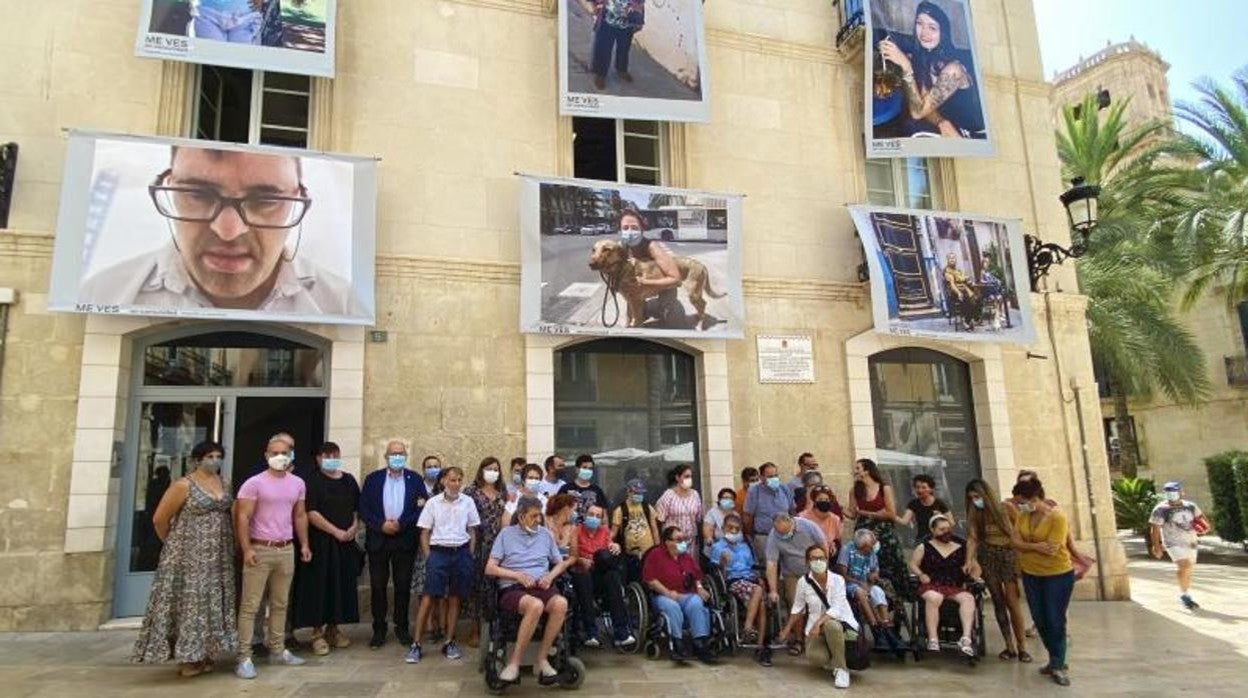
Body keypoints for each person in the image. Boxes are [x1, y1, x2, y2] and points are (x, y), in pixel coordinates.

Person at [79, 145, 360, 315]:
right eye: (198, 194)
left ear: (298, 197)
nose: (228, 231)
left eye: (264, 200)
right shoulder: (102, 293)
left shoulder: (342, 302)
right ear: (169, 183)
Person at [132, 440, 236, 677]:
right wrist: (173, 544)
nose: (215, 460)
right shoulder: (183, 485)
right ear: (197, 459)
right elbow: (160, 518)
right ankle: (188, 657)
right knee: (191, 604)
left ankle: (208, 652)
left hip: (218, 557)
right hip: (188, 556)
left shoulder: (225, 483)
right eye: (209, 456)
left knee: (212, 603)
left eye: (218, 455)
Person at [232, 436, 310, 679]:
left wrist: (304, 543)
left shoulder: (298, 483)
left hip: (285, 548)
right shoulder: (253, 483)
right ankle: (244, 656)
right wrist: (246, 549)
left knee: (280, 603)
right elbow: (242, 517)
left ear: (291, 455)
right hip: (260, 547)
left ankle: (277, 648)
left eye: (284, 452)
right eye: (275, 452)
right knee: (250, 605)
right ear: (266, 455)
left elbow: (299, 515)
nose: (280, 456)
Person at [485, 496, 575, 686]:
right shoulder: (506, 535)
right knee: (535, 605)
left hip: (541, 584)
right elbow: (490, 568)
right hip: (513, 588)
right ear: (521, 516)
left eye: (539, 516)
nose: (538, 520)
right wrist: (516, 575)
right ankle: (514, 663)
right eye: (533, 516)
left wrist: (550, 577)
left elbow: (560, 564)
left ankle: (542, 659)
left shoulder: (544, 535)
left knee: (561, 603)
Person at [876, 0, 986, 139]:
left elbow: (917, 112)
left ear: (943, 33)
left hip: (974, 138)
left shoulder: (953, 70)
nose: (924, 32)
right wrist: (941, 121)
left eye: (932, 28)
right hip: (952, 128)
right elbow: (923, 103)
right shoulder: (924, 57)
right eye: (919, 24)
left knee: (910, 131)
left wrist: (906, 66)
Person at [290, 442, 361, 656]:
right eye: (327, 455)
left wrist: (353, 527)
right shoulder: (311, 481)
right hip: (321, 543)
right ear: (319, 458)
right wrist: (335, 531)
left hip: (346, 542)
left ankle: (334, 628)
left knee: (341, 586)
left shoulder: (348, 480)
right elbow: (310, 512)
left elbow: (357, 508)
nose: (331, 458)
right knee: (319, 586)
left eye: (335, 454)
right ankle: (317, 633)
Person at [406, 466, 480, 664]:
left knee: (454, 598)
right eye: (452, 480)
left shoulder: (468, 502)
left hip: (461, 552)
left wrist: (470, 554)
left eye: (459, 480)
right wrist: (430, 557)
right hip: (438, 553)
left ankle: (449, 641)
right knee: (429, 597)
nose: (456, 484)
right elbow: (424, 532)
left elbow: (472, 530)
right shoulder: (433, 503)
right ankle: (416, 644)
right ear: (443, 481)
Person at [359, 440, 428, 649]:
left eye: (401, 453)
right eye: (393, 453)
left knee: (403, 586)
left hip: (404, 539)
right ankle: (379, 629)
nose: (397, 456)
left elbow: (421, 508)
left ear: (406, 456)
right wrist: (381, 525)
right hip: (379, 540)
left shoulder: (415, 479)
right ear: (386, 456)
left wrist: (401, 523)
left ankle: (402, 627)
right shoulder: (373, 479)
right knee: (378, 587)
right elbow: (363, 508)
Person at [1010, 478, 1075, 687]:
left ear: (1035, 499)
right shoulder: (1023, 515)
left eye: (1022, 501)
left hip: (1057, 574)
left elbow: (1053, 547)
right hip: (1031, 573)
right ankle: (1054, 657)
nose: (1019, 505)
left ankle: (1058, 662)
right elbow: (1014, 541)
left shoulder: (1057, 517)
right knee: (1039, 617)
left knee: (1055, 618)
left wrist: (1026, 545)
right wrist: (1036, 547)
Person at [964, 479, 1030, 662]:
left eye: (977, 496)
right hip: (988, 556)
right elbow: (972, 538)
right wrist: (969, 559)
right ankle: (1009, 646)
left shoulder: (1006, 508)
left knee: (1012, 602)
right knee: (998, 601)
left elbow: (1020, 530)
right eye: (972, 498)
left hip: (1008, 555)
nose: (975, 500)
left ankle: (1022, 646)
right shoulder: (974, 514)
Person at [777, 544, 858, 689]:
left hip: (840, 626)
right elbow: (798, 608)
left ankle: (841, 669)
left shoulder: (838, 580)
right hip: (816, 633)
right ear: (807, 562)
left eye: (821, 558)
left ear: (827, 560)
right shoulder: (803, 582)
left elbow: (837, 608)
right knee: (816, 657)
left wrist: (818, 623)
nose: (818, 561)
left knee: (831, 625)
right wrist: (787, 629)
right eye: (814, 558)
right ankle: (834, 658)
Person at [642, 526, 717, 664]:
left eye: (683, 539)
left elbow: (697, 575)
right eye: (678, 539)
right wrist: (667, 593)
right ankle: (677, 643)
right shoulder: (655, 555)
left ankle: (699, 643)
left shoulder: (686, 556)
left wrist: (699, 588)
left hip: (686, 594)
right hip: (662, 595)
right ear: (667, 542)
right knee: (672, 606)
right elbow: (650, 580)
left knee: (696, 602)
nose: (682, 542)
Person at [909, 514, 977, 656]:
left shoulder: (960, 547)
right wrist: (921, 574)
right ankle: (933, 638)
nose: (946, 532)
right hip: (932, 584)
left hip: (953, 585)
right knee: (935, 597)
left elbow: (976, 568)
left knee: (968, 598)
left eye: (948, 529)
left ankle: (966, 638)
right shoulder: (924, 547)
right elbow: (913, 564)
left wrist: (970, 570)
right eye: (941, 529)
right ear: (933, 531)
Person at [571, 503, 637, 649]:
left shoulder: (604, 531)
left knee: (612, 575)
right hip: (584, 572)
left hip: (602, 572)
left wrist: (615, 547)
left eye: (597, 516)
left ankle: (622, 633)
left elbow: (610, 546)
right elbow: (572, 556)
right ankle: (591, 633)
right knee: (584, 577)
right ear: (585, 515)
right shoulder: (576, 531)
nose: (594, 518)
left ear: (601, 519)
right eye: (591, 515)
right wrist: (581, 560)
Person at [709, 514, 770, 666]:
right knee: (757, 590)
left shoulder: (745, 546)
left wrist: (759, 577)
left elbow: (752, 566)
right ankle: (748, 627)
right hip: (733, 580)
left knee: (762, 602)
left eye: (737, 529)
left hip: (749, 579)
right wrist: (722, 562)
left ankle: (760, 645)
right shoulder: (718, 547)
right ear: (723, 529)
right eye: (730, 528)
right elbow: (716, 572)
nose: (734, 531)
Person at [764, 513, 827, 655]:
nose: (782, 535)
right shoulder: (774, 535)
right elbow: (772, 563)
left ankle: (817, 638)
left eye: (785, 532)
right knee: (795, 604)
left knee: (817, 602)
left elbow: (823, 545)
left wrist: (822, 569)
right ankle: (799, 640)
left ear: (791, 523)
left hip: (813, 569)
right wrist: (773, 590)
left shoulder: (808, 526)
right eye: (779, 532)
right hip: (791, 573)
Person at [836, 528, 903, 656]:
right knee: (860, 591)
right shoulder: (847, 550)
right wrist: (860, 583)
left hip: (867, 584)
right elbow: (842, 575)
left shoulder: (871, 552)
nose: (872, 548)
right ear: (863, 545)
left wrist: (874, 576)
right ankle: (875, 625)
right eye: (869, 546)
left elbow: (875, 571)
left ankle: (885, 625)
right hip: (849, 584)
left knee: (878, 591)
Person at [617, 208, 688, 327]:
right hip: (639, 289)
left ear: (642, 229)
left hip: (664, 286)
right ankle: (646, 310)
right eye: (625, 228)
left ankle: (665, 308)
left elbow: (676, 279)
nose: (629, 231)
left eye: (634, 227)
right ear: (620, 230)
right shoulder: (621, 248)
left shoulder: (652, 246)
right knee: (637, 310)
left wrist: (645, 283)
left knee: (672, 319)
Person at [845, 458, 907, 591]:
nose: (855, 471)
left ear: (867, 471)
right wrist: (839, 509)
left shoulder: (884, 488)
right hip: (864, 533)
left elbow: (891, 513)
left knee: (889, 565)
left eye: (858, 468)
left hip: (884, 533)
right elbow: (853, 514)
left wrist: (866, 513)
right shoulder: (855, 490)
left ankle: (894, 597)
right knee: (866, 565)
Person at [464, 457, 506, 648]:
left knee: (495, 588)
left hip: (499, 546)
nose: (493, 472)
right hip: (478, 545)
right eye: (489, 468)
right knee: (476, 589)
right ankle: (474, 631)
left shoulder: (503, 493)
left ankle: (495, 630)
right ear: (481, 470)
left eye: (496, 469)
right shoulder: (471, 492)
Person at [1149, 481, 1206, 610]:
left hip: (1191, 542)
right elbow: (1155, 528)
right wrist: (1156, 546)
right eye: (1168, 492)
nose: (1171, 494)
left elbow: (1203, 520)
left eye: (1174, 491)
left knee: (1188, 569)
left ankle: (1185, 592)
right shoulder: (1160, 509)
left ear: (1181, 492)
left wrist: (1203, 528)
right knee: (1184, 565)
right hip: (1172, 543)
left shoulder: (1191, 506)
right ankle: (1184, 596)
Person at [610, 478, 660, 581]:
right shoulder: (620, 510)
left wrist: (657, 549)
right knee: (632, 578)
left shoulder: (647, 507)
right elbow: (613, 533)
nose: (639, 495)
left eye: (641, 493)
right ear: (628, 491)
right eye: (636, 492)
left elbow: (654, 529)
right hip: (630, 554)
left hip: (648, 552)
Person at [589, 0, 646, 91]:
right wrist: (594, 8)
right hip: (607, 20)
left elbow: (640, 2)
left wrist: (640, 20)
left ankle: (621, 69)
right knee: (603, 48)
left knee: (624, 48)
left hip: (627, 23)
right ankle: (600, 74)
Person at [743, 462, 795, 556]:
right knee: (767, 566)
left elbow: (792, 511)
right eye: (770, 476)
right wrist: (752, 535)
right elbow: (748, 516)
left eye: (776, 475)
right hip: (764, 536)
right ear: (762, 477)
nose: (774, 479)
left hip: (785, 536)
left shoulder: (784, 488)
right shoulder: (754, 491)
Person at [654, 464, 703, 544]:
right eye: (686, 476)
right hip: (673, 542)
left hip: (691, 541)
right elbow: (659, 519)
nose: (689, 479)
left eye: (690, 476)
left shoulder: (695, 494)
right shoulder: (668, 495)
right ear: (677, 478)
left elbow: (699, 518)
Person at [896, 474, 952, 539]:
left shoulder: (939, 503)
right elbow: (904, 521)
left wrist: (941, 517)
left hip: (938, 538)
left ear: (931, 489)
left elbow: (951, 522)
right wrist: (892, 516)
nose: (920, 490)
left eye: (924, 487)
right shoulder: (913, 504)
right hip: (922, 538)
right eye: (917, 487)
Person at [799, 485, 844, 558]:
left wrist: (833, 545)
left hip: (829, 556)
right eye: (820, 499)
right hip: (806, 555)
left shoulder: (835, 519)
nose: (824, 502)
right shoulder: (803, 518)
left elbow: (837, 540)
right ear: (814, 501)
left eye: (826, 500)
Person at [502, 463, 550, 528]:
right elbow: (505, 525)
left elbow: (549, 525)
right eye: (530, 478)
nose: (534, 480)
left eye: (537, 478)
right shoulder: (514, 499)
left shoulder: (545, 501)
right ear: (523, 480)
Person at [941, 253, 980, 329]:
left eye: (953, 258)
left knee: (978, 298)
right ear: (947, 260)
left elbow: (965, 279)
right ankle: (966, 320)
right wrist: (958, 293)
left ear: (956, 260)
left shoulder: (958, 270)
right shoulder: (947, 271)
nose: (952, 260)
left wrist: (970, 282)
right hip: (954, 292)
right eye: (950, 258)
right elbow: (952, 285)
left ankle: (973, 318)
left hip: (964, 289)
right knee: (969, 299)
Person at [701, 487, 737, 556]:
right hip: (715, 550)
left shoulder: (735, 515)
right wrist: (709, 538)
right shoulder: (713, 513)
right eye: (725, 498)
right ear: (720, 499)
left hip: (732, 550)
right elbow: (708, 528)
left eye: (730, 498)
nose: (728, 500)